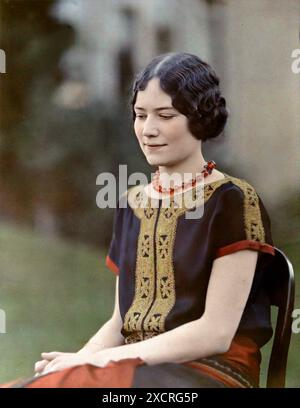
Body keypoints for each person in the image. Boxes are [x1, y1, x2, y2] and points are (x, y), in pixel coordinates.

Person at [2, 52, 275, 388]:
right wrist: (78, 361)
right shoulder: (133, 203)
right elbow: (120, 322)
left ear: (200, 117)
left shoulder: (233, 200)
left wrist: (101, 360)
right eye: (140, 115)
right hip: (134, 369)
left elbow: (215, 334)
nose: (148, 130)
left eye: (165, 115)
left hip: (208, 374)